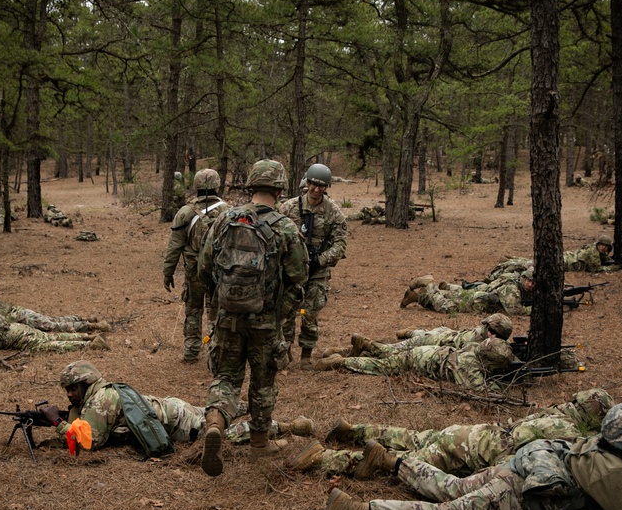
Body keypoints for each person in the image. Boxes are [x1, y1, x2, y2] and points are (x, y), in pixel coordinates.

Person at [320, 402, 622, 510]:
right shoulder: (609, 472)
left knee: (453, 487)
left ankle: (391, 460)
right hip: (514, 499)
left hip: (512, 471)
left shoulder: (600, 445)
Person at [196, 159, 309, 476]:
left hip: (228, 318)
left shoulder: (223, 220)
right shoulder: (285, 227)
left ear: (252, 186)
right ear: (278, 188)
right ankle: (259, 442)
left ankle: (216, 422)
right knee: (263, 381)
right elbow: (299, 275)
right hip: (265, 322)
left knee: (227, 378)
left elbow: (204, 268)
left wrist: (220, 303)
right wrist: (281, 312)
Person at [289, 388, 613, 477]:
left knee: (411, 436)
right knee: (396, 462)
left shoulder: (554, 412)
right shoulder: (568, 434)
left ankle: (355, 429)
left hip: (469, 432)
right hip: (469, 452)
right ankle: (325, 459)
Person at [36, 360, 316, 454]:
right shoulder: (99, 394)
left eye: (73, 388)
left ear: (87, 383)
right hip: (171, 409)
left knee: (220, 433)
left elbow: (90, 442)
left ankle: (286, 427)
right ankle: (242, 406)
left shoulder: (101, 400)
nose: (70, 394)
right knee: (213, 414)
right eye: (67, 390)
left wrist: (57, 423)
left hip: (176, 422)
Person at [279, 164, 348, 366]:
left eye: (322, 186)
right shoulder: (288, 207)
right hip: (291, 271)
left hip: (317, 271)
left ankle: (306, 356)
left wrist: (321, 259)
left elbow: (340, 244)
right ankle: (285, 352)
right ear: (307, 183)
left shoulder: (333, 212)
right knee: (287, 313)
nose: (317, 190)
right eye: (314, 184)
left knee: (310, 314)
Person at [162, 168, 229, 363]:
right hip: (218, 271)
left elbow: (174, 247)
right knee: (215, 311)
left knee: (193, 310)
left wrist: (168, 273)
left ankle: (191, 351)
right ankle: (214, 351)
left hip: (193, 271)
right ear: (217, 186)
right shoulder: (228, 212)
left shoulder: (185, 212)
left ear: (196, 186)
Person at [312, 336, 516, 393]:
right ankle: (342, 362)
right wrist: (505, 385)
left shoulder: (474, 348)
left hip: (427, 353)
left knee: (389, 355)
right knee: (380, 366)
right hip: (417, 361)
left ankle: (367, 343)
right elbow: (479, 389)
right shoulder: (468, 367)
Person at [0, 298, 110, 352]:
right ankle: (89, 336)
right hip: (17, 328)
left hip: (15, 335)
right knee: (51, 334)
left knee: (48, 344)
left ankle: (89, 343)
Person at [326, 313, 513, 360]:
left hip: (439, 333)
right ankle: (360, 344)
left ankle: (410, 332)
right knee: (390, 352)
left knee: (401, 344)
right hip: (431, 341)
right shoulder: (483, 341)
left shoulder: (480, 331)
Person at [0, 282, 110, 334]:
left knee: (53, 326)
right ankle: (83, 319)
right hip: (21, 313)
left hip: (22, 317)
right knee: (53, 320)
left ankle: (91, 326)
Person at [400, 269, 533, 317]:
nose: (530, 284)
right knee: (444, 307)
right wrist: (532, 310)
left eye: (533, 283)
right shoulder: (513, 289)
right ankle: (429, 284)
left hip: (476, 297)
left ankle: (415, 297)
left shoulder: (514, 281)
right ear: (524, 278)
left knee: (445, 298)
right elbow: (514, 311)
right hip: (475, 303)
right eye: (528, 281)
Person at [486, 236, 618, 279]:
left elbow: (605, 259)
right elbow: (597, 269)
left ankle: (509, 259)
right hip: (565, 262)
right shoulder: (593, 252)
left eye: (606, 247)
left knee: (533, 262)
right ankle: (508, 262)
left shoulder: (595, 250)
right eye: (602, 245)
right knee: (531, 264)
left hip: (566, 258)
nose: (604, 248)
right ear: (598, 244)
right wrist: (615, 267)